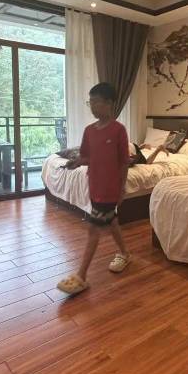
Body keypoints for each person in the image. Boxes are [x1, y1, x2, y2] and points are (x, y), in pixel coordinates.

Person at [56, 82, 131, 295]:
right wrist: (76, 162)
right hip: (94, 185)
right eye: (90, 102)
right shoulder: (89, 131)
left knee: (93, 229)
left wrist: (121, 189)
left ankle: (81, 276)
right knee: (112, 220)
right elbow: (88, 157)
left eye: (96, 102)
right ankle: (125, 254)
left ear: (109, 103)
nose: (93, 106)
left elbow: (124, 162)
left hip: (110, 189)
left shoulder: (118, 130)